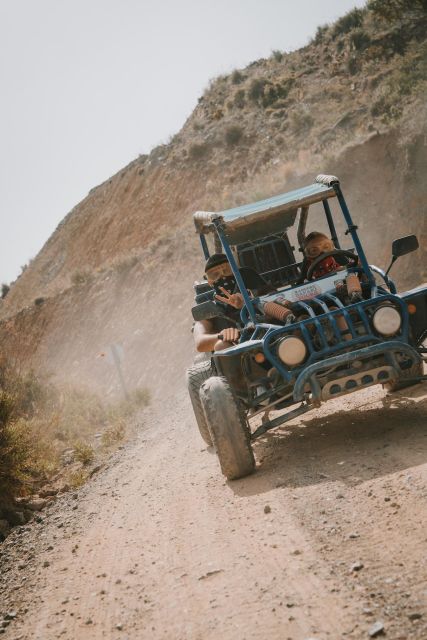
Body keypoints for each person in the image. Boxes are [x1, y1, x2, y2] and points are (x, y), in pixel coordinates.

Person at [193, 253, 270, 352]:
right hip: (242, 355)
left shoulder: (254, 288)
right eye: (214, 275)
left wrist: (249, 301)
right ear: (209, 281)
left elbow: (281, 300)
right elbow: (200, 342)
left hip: (273, 338)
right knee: (221, 346)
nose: (222, 277)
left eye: (226, 270)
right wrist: (222, 336)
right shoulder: (210, 307)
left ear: (236, 271)